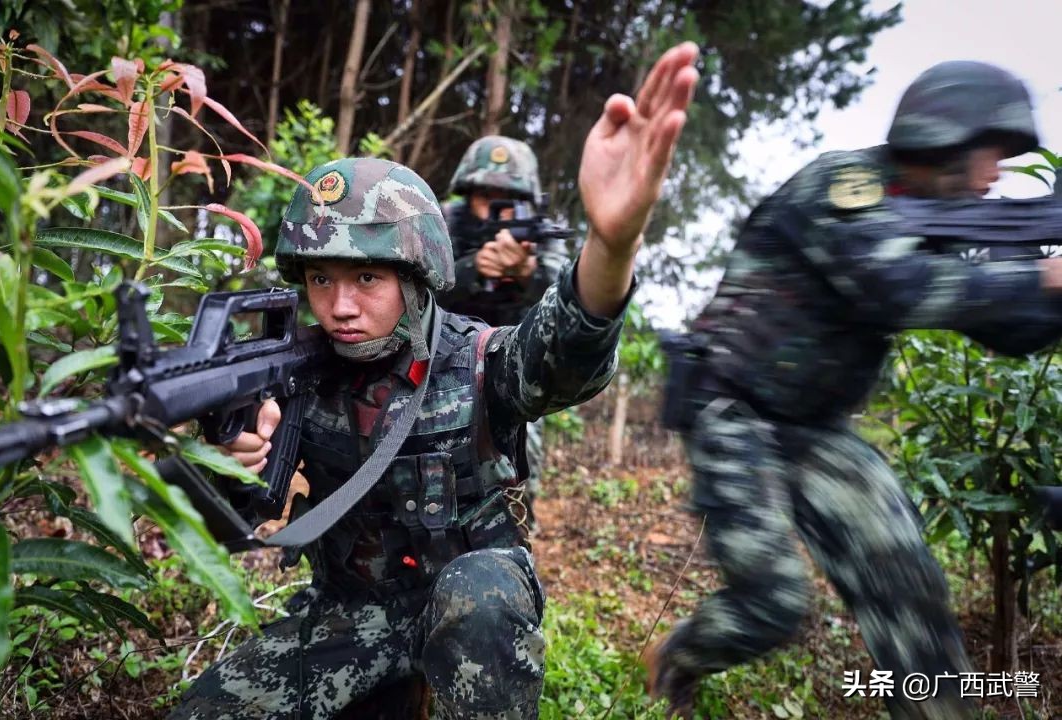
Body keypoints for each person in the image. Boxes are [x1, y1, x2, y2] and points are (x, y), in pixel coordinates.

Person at [168, 41, 700, 720]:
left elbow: (560, 355)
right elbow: (224, 527)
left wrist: (613, 245)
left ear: (415, 281)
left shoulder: (476, 359)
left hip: (471, 597)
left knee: (479, 599)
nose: (340, 305)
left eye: (366, 277)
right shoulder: (298, 371)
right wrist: (228, 461)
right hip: (351, 612)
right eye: (320, 279)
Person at [648, 60, 1062, 720]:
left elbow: (1009, 331)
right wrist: (1041, 280)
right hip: (731, 411)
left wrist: (1046, 297)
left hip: (817, 430)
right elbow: (893, 288)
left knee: (910, 587)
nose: (995, 178)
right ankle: (680, 655)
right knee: (772, 604)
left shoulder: (941, 224)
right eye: (990, 155)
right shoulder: (846, 185)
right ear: (943, 138)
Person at [436, 135, 572, 534]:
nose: (496, 205)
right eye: (485, 194)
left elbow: (569, 300)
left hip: (514, 368)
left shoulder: (536, 237)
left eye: (507, 195)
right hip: (440, 363)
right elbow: (412, 286)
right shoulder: (443, 223)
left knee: (517, 469)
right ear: (468, 192)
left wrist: (528, 274)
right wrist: (472, 268)